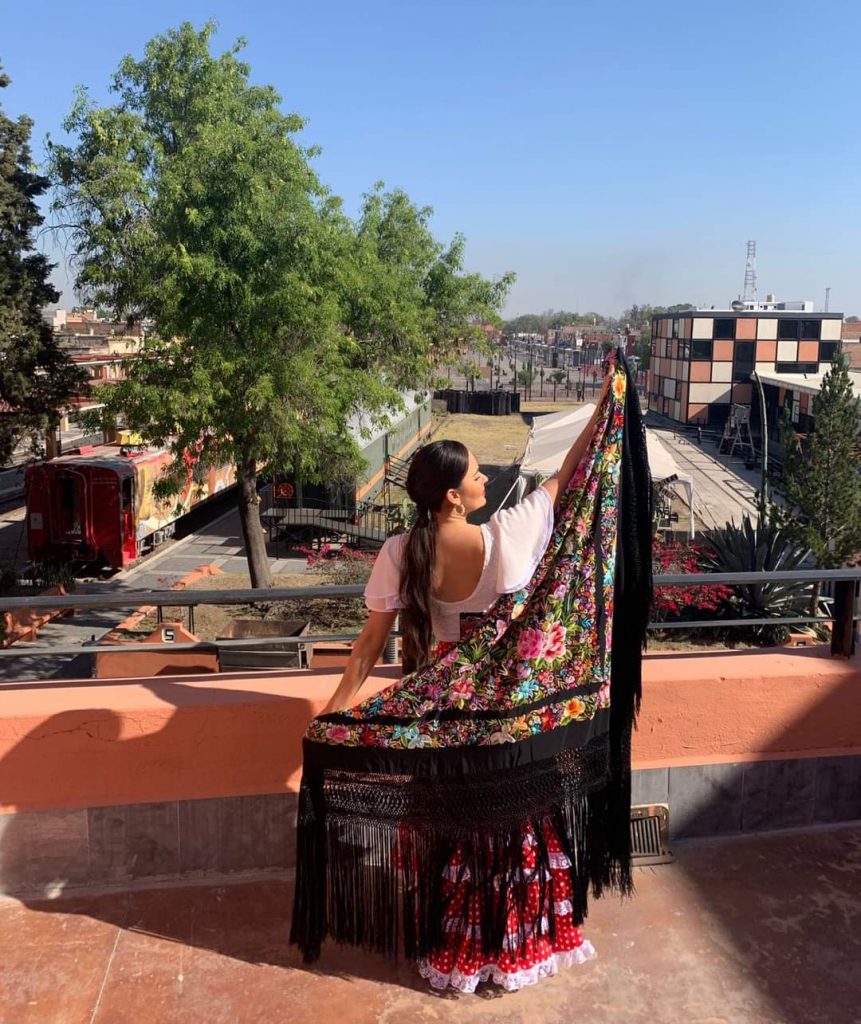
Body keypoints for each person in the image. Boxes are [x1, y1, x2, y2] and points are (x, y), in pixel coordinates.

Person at [320, 390, 607, 993]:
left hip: (437, 712)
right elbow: (563, 479)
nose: (484, 479)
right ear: (454, 494)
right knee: (508, 824)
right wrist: (607, 404)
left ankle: (454, 945)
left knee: (450, 826)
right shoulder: (504, 537)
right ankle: (510, 952)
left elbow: (370, 645)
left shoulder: (402, 551)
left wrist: (336, 713)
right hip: (502, 713)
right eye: (476, 473)